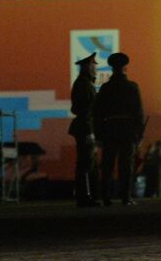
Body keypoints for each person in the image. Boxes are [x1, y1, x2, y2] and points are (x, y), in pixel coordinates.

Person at [94, 52, 144, 206]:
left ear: (112, 68)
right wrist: (139, 134)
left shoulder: (105, 88)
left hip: (109, 130)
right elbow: (139, 112)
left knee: (107, 165)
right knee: (126, 166)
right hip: (127, 130)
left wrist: (98, 134)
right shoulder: (132, 87)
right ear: (125, 68)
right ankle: (126, 197)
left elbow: (97, 113)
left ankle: (106, 197)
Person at [68, 52, 100, 207]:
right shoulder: (83, 84)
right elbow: (85, 111)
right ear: (88, 66)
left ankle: (87, 195)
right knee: (86, 163)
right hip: (85, 128)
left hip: (84, 128)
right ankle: (84, 196)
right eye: (94, 65)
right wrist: (90, 132)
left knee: (87, 162)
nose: (96, 68)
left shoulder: (84, 83)